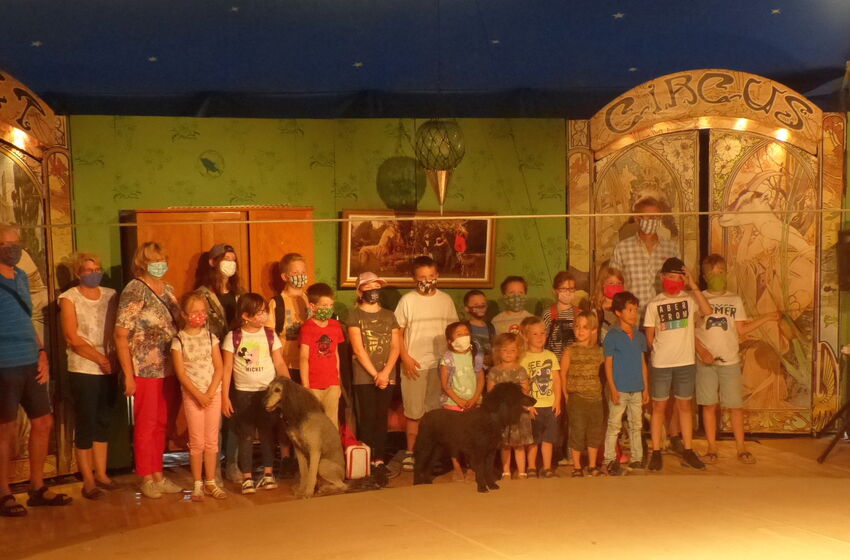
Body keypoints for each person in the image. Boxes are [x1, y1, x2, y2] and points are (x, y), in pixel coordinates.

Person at [0, 224, 71, 517]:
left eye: (16, 243)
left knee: (43, 422)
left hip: (30, 361)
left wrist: (42, 353)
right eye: (6, 245)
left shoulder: (20, 276)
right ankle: (4, 492)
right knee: (6, 429)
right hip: (4, 363)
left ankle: (37, 486)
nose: (13, 249)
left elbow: (26, 319)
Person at [115, 241, 183, 499]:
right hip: (145, 368)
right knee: (146, 423)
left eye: (162, 259)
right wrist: (128, 375)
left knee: (163, 423)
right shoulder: (135, 289)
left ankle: (158, 473)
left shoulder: (168, 290)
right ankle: (146, 476)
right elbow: (121, 334)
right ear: (142, 263)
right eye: (154, 260)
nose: (159, 264)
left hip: (170, 367)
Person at [696, 254, 772, 465]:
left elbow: (742, 330)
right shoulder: (698, 299)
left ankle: (741, 447)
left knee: (735, 406)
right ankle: (712, 447)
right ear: (705, 276)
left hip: (729, 361)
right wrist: (701, 351)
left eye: (720, 272)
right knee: (709, 405)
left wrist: (766, 318)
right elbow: (691, 332)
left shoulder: (734, 300)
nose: (717, 276)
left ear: (726, 274)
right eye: (712, 273)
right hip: (706, 363)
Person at [58, 252, 118, 500]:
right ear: (78, 273)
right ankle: (88, 479)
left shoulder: (111, 294)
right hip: (83, 367)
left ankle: (101, 473)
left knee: (103, 420)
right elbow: (72, 337)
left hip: (109, 366)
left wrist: (112, 359)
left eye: (97, 269)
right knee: (86, 422)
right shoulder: (69, 298)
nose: (94, 273)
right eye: (88, 270)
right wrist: (100, 359)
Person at [644, 257, 712, 472]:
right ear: (662, 277)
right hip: (662, 363)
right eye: (670, 277)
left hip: (685, 362)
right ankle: (656, 450)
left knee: (684, 406)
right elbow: (649, 337)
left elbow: (707, 311)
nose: (673, 281)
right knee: (659, 407)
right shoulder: (654, 304)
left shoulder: (689, 300)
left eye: (678, 278)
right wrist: (659, 353)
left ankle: (688, 449)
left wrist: (693, 285)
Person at [395, 256, 459, 471]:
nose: (427, 280)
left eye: (431, 276)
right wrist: (405, 357)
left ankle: (432, 453)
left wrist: (451, 362)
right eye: (422, 277)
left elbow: (453, 332)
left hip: (439, 365)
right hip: (414, 365)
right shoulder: (407, 301)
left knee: (435, 413)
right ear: (414, 278)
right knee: (414, 412)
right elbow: (398, 333)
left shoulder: (446, 300)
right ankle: (411, 452)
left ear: (437, 276)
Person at [221, 293, 290, 495]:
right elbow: (226, 369)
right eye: (258, 313)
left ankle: (268, 474)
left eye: (265, 312)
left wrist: (287, 387)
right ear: (245, 316)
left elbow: (279, 362)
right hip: (243, 394)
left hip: (267, 393)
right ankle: (247, 477)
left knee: (267, 434)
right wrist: (225, 397)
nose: (263, 316)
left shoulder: (270, 335)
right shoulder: (233, 337)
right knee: (246, 436)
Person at [171, 291, 226, 501]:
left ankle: (210, 481)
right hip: (193, 397)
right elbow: (181, 373)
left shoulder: (211, 337)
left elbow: (219, 367)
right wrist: (198, 395)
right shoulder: (179, 341)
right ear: (184, 315)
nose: (200, 315)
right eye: (194, 312)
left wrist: (210, 393)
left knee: (211, 440)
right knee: (196, 442)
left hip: (213, 394)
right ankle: (197, 484)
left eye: (203, 311)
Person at [195, 243, 243, 483]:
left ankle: (232, 463)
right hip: (212, 363)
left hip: (238, 362)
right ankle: (212, 468)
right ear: (213, 262)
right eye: (226, 259)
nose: (230, 264)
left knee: (233, 415)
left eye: (233, 259)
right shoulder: (201, 295)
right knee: (214, 418)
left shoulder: (240, 293)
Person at [346, 272, 400, 475]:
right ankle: (366, 459)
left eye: (376, 287)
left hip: (387, 375)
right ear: (360, 291)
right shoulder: (355, 315)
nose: (373, 291)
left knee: (381, 418)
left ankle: (379, 459)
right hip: (364, 376)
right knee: (367, 418)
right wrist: (375, 374)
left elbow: (395, 346)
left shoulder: (389, 315)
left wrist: (385, 373)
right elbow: (358, 349)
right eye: (368, 287)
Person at [602, 291, 649, 476]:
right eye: (629, 310)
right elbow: (608, 365)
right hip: (620, 389)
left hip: (636, 388)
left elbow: (642, 363)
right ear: (618, 312)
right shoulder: (612, 336)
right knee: (614, 425)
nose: (633, 313)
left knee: (636, 425)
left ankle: (637, 459)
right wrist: (613, 388)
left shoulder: (639, 336)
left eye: (635, 310)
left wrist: (645, 388)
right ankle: (609, 459)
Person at [609, 197, 680, 318]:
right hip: (633, 317)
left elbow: (680, 279)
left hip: (664, 315)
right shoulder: (622, 248)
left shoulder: (671, 248)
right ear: (637, 219)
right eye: (648, 217)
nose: (652, 220)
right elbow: (613, 283)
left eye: (656, 217)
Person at [439, 321, 485, 481]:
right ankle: (457, 467)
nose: (464, 337)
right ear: (450, 340)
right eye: (459, 334)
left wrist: (475, 398)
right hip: (453, 404)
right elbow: (445, 384)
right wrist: (458, 400)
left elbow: (480, 379)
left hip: (474, 403)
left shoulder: (476, 355)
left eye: (466, 333)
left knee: (473, 436)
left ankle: (472, 467)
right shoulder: (447, 358)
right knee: (455, 437)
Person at [561, 311, 604, 477]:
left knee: (594, 432)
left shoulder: (599, 351)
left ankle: (592, 465)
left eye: (585, 327)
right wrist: (566, 395)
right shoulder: (570, 351)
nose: (580, 330)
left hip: (596, 398)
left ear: (593, 330)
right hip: (577, 398)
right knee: (577, 431)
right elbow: (563, 373)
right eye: (577, 326)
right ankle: (577, 466)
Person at [486, 333, 533, 480]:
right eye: (505, 350)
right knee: (504, 444)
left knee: (519, 444)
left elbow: (525, 391)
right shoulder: (494, 371)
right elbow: (491, 391)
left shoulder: (520, 370)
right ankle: (505, 471)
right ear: (498, 351)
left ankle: (522, 471)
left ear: (518, 352)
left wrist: (524, 406)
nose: (508, 353)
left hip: (518, 413)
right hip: (502, 414)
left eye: (512, 350)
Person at [520, 316, 561, 478]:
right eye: (535, 334)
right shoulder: (523, 358)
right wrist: (527, 405)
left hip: (549, 404)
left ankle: (546, 467)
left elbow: (556, 380)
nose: (540, 337)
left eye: (542, 333)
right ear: (526, 336)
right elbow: (522, 384)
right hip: (533, 406)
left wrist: (557, 401)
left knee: (548, 438)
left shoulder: (550, 356)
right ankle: (531, 467)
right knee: (533, 439)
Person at [300, 283, 346, 428]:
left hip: (332, 383)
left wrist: (338, 382)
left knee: (332, 422)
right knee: (313, 422)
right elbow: (303, 357)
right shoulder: (307, 327)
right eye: (324, 305)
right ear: (313, 306)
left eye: (331, 305)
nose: (328, 309)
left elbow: (335, 354)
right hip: (313, 384)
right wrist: (305, 385)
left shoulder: (335, 326)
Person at [267, 253, 309, 385]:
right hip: (286, 365)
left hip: (309, 364)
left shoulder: (311, 300)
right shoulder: (276, 303)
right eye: (295, 273)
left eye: (303, 272)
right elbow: (269, 336)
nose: (300, 276)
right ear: (285, 276)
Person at [542, 271, 580, 359]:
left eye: (571, 288)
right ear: (555, 291)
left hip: (573, 361)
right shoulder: (548, 314)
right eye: (563, 289)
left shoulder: (578, 313)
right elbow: (542, 339)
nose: (568, 292)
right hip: (553, 361)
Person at [592, 265, 625, 343]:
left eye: (619, 283)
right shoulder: (596, 309)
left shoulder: (625, 307)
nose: (615, 286)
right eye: (611, 283)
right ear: (603, 284)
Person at [463, 290, 495, 369]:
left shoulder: (490, 327)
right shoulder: (464, 327)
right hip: (470, 368)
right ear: (466, 308)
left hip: (488, 369)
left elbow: (495, 346)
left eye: (483, 304)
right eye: (476, 305)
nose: (480, 307)